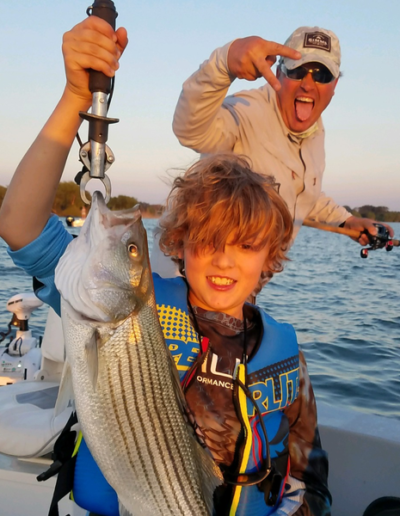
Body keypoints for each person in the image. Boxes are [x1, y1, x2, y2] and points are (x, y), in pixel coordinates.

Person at [0, 16, 331, 516]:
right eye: (209, 240)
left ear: (270, 258)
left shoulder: (286, 357)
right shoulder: (121, 306)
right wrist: (74, 96)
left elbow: (309, 477)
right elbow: (19, 225)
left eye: (244, 246)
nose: (223, 258)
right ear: (179, 243)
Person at [171, 26, 394, 245]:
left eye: (322, 75)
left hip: (247, 276)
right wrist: (224, 63)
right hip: (190, 272)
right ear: (279, 74)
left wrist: (346, 221)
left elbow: (302, 194)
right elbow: (191, 130)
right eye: (297, 71)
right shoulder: (245, 112)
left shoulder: (315, 130)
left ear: (334, 85)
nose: (307, 85)